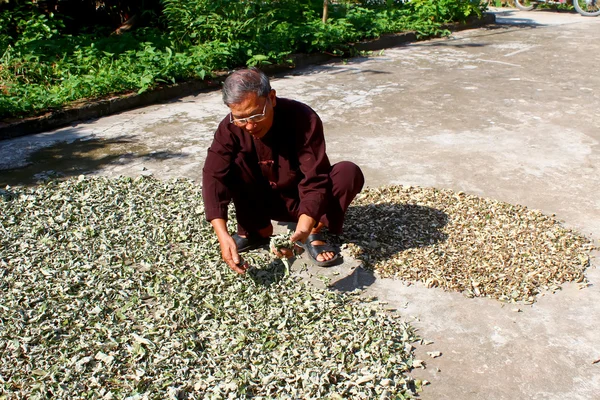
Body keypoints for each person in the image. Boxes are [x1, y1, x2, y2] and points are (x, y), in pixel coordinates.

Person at [202, 68, 364, 274]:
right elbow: (213, 175)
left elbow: (315, 178)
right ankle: (255, 230)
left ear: (272, 97)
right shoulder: (230, 127)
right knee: (231, 164)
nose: (249, 126)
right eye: (241, 118)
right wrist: (222, 235)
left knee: (348, 172)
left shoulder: (303, 118)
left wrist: (304, 228)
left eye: (256, 115)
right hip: (262, 200)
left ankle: (313, 233)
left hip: (302, 199)